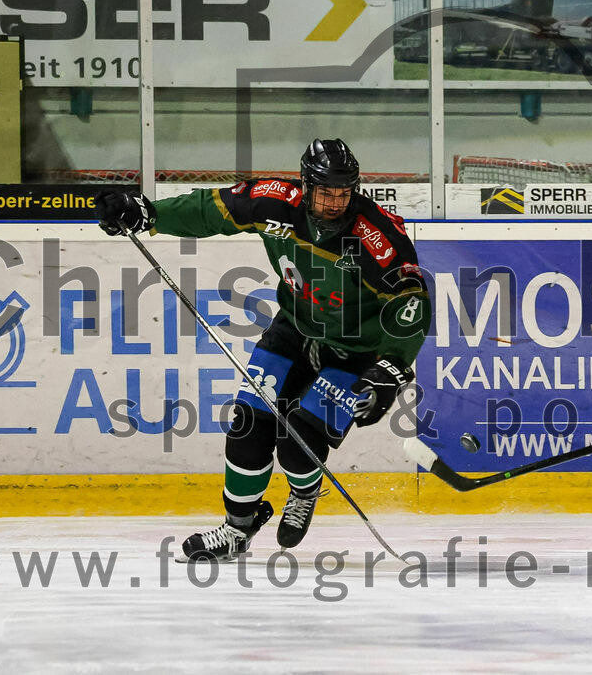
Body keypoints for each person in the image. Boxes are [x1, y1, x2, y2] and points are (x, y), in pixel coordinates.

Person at [96, 139, 430, 561]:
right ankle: (238, 529)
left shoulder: (377, 236)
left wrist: (391, 367)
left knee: (299, 439)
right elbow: (209, 209)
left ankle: (304, 492)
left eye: (343, 193)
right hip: (295, 328)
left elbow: (411, 303)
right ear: (306, 185)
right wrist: (149, 214)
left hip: (356, 348)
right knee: (247, 423)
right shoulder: (274, 201)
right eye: (325, 191)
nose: (334, 202)